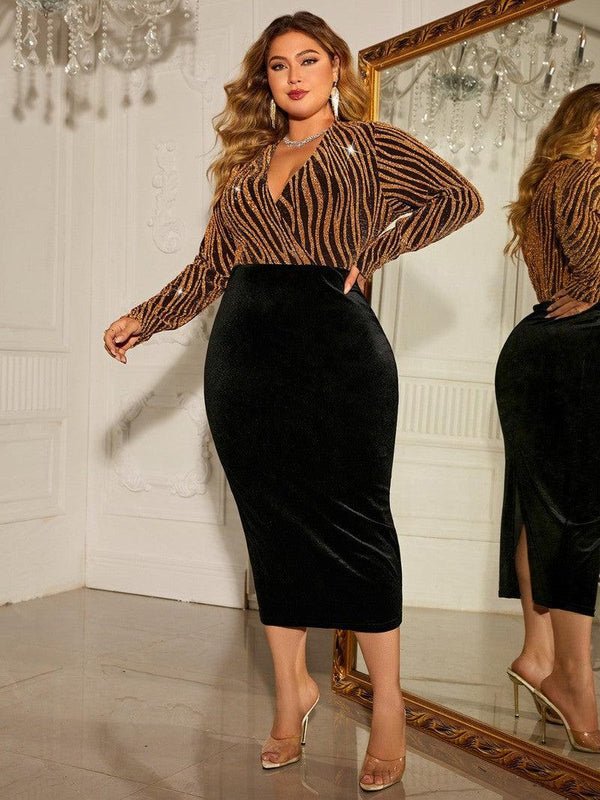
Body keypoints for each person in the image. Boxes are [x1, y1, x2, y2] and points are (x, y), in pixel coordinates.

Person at [103, 11, 483, 790]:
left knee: (358, 525)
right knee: (270, 530)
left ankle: (387, 707)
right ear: (266, 80)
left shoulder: (370, 145)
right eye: (279, 65)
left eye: (309, 60)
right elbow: (211, 269)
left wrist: (375, 248)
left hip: (338, 357)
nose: (294, 76)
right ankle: (291, 695)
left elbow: (457, 197)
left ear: (337, 67)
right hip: (246, 361)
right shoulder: (246, 169)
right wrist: (146, 316)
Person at [497, 83, 600, 754]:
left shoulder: (556, 178)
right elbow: (592, 269)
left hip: (550, 352)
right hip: (576, 354)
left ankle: (538, 656)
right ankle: (572, 680)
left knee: (545, 511)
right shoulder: (584, 177)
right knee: (575, 519)